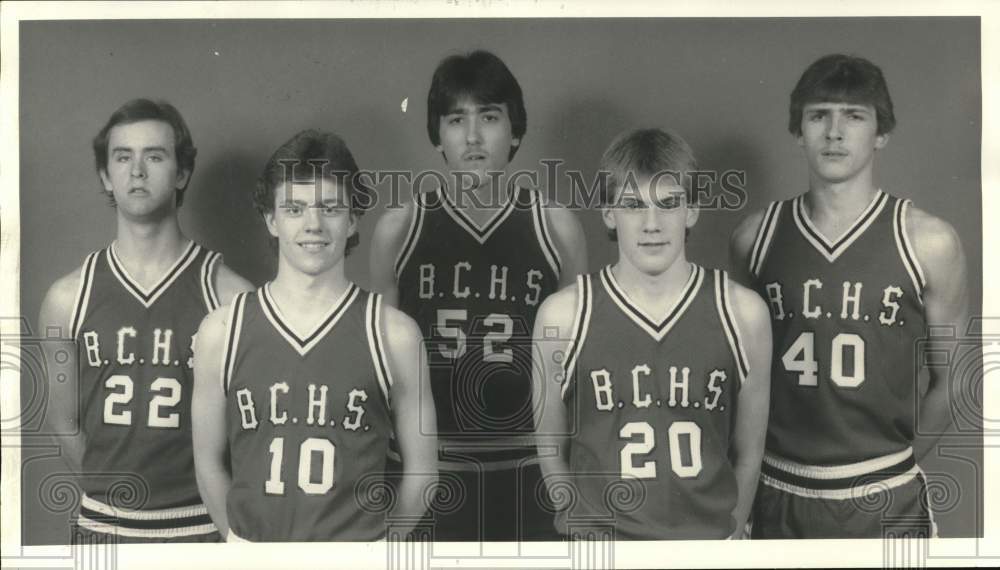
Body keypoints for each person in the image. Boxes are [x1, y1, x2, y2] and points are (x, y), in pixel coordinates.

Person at [729, 54, 970, 538]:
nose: (834, 132)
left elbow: (956, 383)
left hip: (886, 497)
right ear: (798, 130)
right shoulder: (755, 238)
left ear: (881, 133)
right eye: (819, 115)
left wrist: (890, 468)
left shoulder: (928, 241)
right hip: (780, 490)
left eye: (854, 116)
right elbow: (738, 377)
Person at [369, 49, 587, 540]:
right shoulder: (400, 229)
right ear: (437, 136)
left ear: (515, 132)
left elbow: (575, 362)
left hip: (530, 467)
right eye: (455, 120)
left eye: (489, 117)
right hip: (428, 469)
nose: (472, 137)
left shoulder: (555, 226)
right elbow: (380, 367)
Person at [191, 129, 437, 541]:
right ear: (271, 220)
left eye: (330, 207)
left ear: (354, 217)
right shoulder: (222, 330)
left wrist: (380, 551)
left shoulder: (393, 334)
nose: (313, 224)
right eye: (294, 208)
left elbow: (423, 473)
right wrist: (236, 544)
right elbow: (207, 461)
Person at [533, 128, 771, 539]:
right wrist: (578, 526)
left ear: (692, 210)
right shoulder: (565, 315)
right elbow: (550, 445)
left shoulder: (742, 312)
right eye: (632, 205)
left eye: (668, 204)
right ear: (608, 213)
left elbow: (749, 454)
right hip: (603, 549)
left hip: (703, 546)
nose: (651, 224)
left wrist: (729, 535)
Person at [38, 99, 252, 542]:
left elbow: (250, 432)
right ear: (105, 176)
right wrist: (116, 503)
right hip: (103, 529)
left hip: (201, 527)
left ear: (182, 173)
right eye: (122, 157)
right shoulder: (67, 297)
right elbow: (63, 423)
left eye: (154, 156)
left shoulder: (232, 296)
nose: (137, 171)